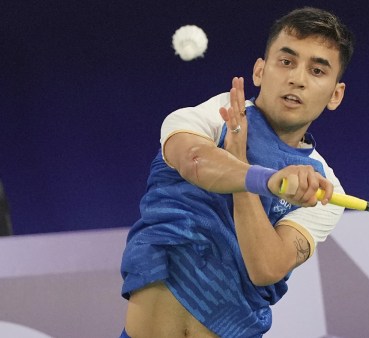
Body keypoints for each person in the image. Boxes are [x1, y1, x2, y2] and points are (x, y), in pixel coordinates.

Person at [120, 7, 354, 338]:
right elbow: (194, 162)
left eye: (317, 70)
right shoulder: (207, 120)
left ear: (335, 94)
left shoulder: (324, 188)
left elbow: (266, 268)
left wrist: (243, 174)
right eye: (286, 61)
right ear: (260, 71)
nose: (297, 79)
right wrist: (265, 180)